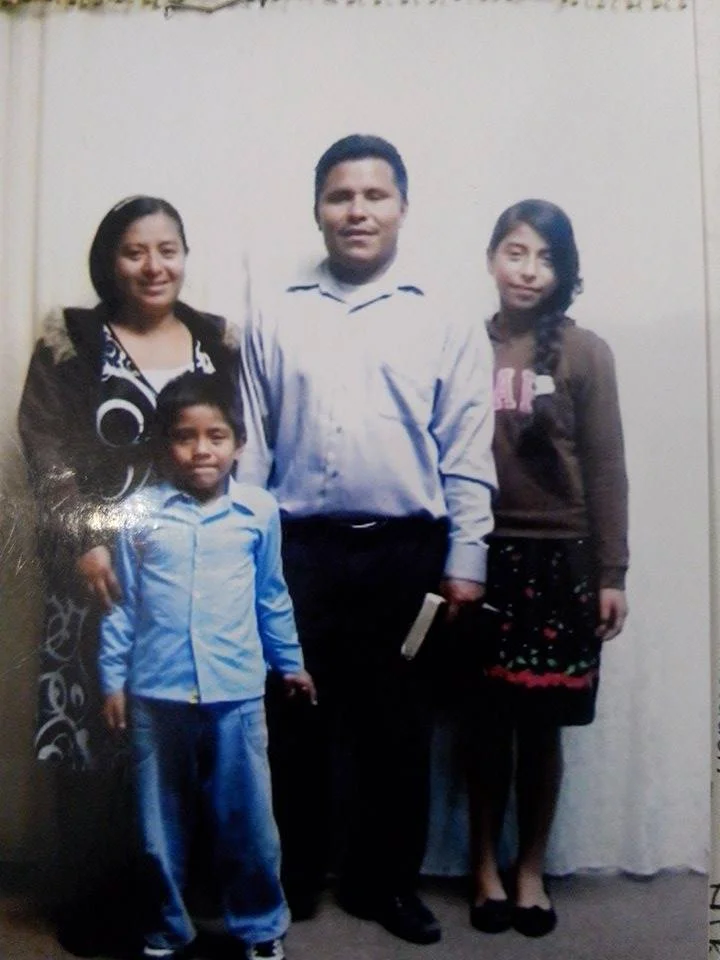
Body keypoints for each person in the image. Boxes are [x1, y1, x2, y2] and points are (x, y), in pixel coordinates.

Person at [238, 134, 496, 945]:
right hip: (299, 552)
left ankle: (385, 883)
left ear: (403, 208)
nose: (357, 211)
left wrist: (466, 561)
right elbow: (251, 446)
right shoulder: (274, 311)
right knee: (294, 717)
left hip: (406, 556)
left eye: (375, 195)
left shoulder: (443, 316)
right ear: (317, 209)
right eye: (340, 196)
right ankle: (295, 874)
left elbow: (467, 447)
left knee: (398, 723)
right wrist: (246, 559)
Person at [17, 195, 242, 954]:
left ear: (185, 256)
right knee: (96, 731)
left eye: (167, 249)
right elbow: (46, 448)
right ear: (109, 261)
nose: (154, 266)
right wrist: (86, 540)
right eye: (134, 251)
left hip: (188, 574)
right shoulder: (72, 342)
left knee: (183, 731)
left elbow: (237, 445)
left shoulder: (215, 341)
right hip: (97, 574)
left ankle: (177, 902)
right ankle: (96, 904)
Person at [99, 372, 315, 960]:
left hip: (236, 692)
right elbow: (122, 604)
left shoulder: (258, 511)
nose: (201, 450)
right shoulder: (137, 512)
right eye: (184, 437)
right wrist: (112, 680)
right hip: (156, 694)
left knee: (248, 823)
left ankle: (260, 926)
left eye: (216, 436)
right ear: (163, 443)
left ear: (238, 444)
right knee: (157, 827)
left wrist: (290, 663)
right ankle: (167, 929)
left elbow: (271, 595)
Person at [466, 199, 628, 938]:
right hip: (482, 555)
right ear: (492, 259)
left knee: (540, 731)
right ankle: (482, 867)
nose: (529, 270)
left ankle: (529, 868)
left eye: (546, 257)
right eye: (516, 252)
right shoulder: (464, 346)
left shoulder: (586, 353)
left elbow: (606, 466)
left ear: (564, 272)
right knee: (483, 725)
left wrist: (612, 572)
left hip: (562, 562)